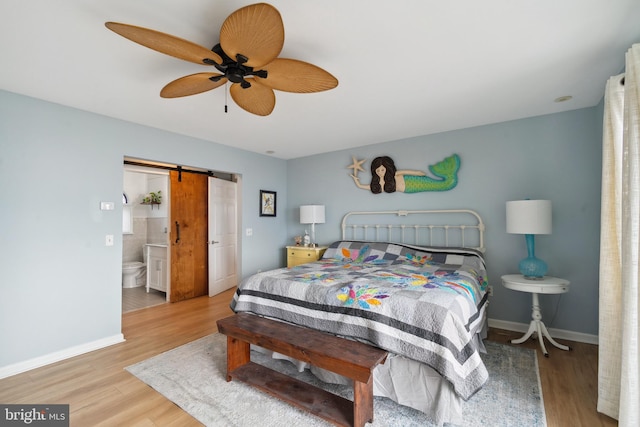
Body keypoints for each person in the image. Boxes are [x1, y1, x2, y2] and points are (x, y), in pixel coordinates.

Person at [350, 154, 460, 193]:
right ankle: (448, 177)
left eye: (382, 170)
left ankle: (449, 176)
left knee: (434, 185)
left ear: (387, 169)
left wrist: (417, 173)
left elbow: (406, 172)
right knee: (433, 186)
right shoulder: (380, 184)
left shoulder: (395, 174)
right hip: (408, 189)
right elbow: (367, 187)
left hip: (411, 181)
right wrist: (357, 181)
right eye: (377, 170)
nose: (379, 172)